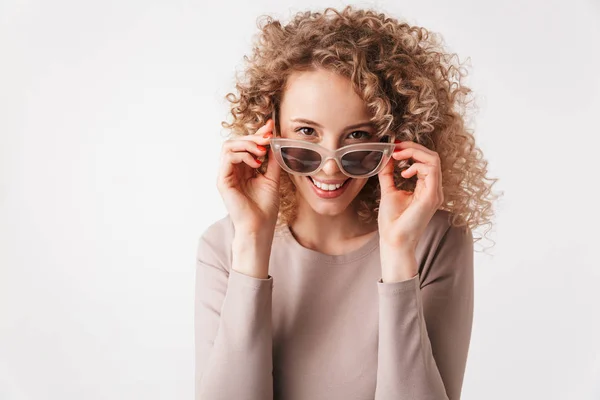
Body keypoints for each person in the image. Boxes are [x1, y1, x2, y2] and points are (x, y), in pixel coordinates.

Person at [195, 5, 499, 400]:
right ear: (268, 130)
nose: (329, 166)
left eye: (357, 136)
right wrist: (252, 243)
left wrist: (398, 255)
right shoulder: (224, 247)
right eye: (306, 132)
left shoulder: (435, 240)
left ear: (396, 137)